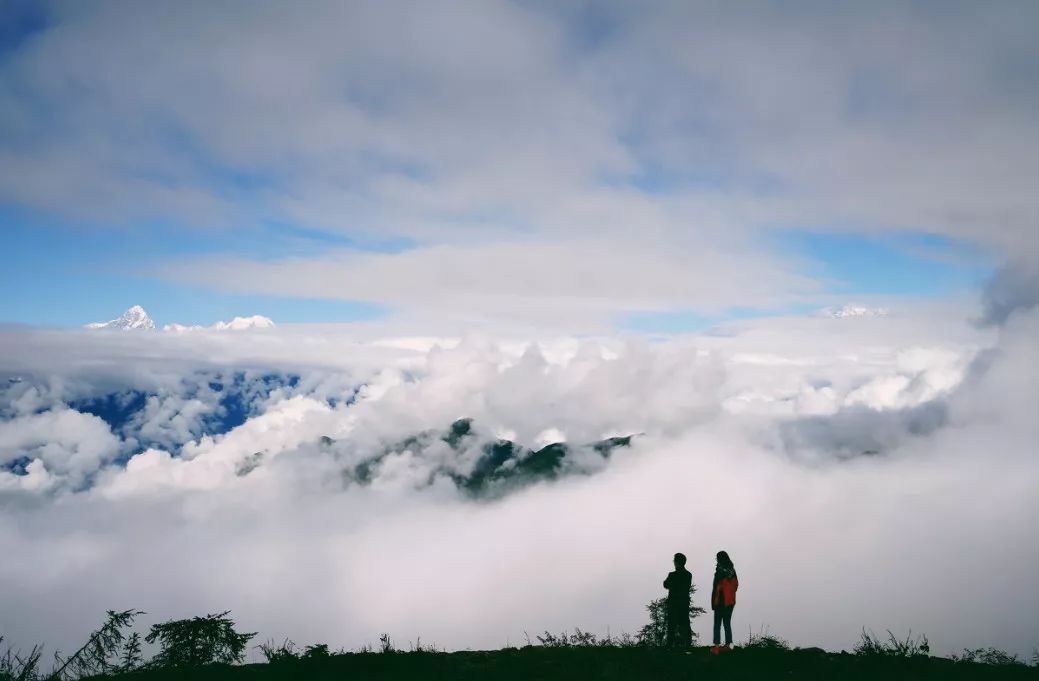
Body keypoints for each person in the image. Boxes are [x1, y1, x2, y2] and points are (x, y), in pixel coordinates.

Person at [710, 550, 738, 654]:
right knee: (727, 623)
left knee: (717, 624)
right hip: (730, 602)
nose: (716, 560)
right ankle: (729, 645)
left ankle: (716, 647)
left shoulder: (719, 571)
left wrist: (713, 602)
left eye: (717, 558)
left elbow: (715, 588)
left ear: (720, 559)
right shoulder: (732, 570)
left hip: (720, 601)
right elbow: (736, 585)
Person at [663, 552, 692, 648]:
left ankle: (669, 648)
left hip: (673, 604)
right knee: (685, 627)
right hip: (683, 604)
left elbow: (666, 584)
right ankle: (687, 647)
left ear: (676, 562)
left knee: (671, 627)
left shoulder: (672, 575)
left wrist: (673, 585)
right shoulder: (688, 575)